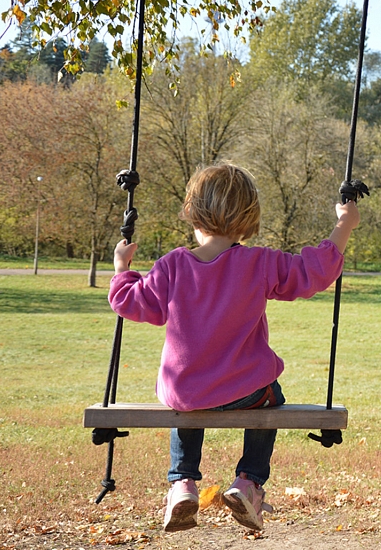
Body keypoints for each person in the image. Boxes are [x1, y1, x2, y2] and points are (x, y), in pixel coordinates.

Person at [108, 163, 360, 532]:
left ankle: (182, 483)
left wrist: (121, 268)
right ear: (249, 217)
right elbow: (313, 272)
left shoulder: (172, 265)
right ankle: (249, 482)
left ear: (192, 211)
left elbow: (130, 302)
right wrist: (344, 225)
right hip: (247, 393)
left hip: (186, 391)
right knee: (271, 397)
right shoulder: (259, 263)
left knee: (186, 399)